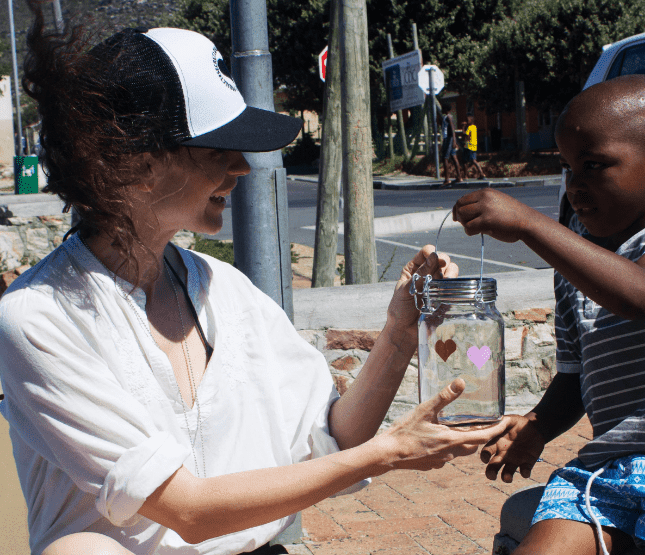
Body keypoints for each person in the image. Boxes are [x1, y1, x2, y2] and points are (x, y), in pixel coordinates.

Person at [0, 8, 511, 555]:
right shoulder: (40, 317)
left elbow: (334, 437)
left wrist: (398, 330)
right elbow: (187, 511)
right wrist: (391, 451)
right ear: (133, 162)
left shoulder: (225, 289)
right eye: (218, 149)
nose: (243, 166)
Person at [453, 74, 645, 555]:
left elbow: (641, 294)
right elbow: (575, 376)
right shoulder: (577, 263)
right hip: (608, 474)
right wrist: (536, 426)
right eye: (569, 168)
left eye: (594, 166)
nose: (575, 186)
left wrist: (530, 224)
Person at [438, 103, 464, 186]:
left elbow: (452, 129)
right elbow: (444, 127)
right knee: (454, 157)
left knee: (445, 158)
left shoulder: (449, 117)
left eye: (443, 108)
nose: (441, 110)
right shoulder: (446, 117)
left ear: (446, 109)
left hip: (449, 139)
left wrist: (453, 141)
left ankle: (447, 179)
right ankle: (459, 177)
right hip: (449, 139)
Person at [461, 114, 485, 179]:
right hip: (474, 145)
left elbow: (465, 135)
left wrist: (463, 127)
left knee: (466, 161)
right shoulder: (474, 127)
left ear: (471, 120)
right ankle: (481, 173)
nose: (466, 121)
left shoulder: (470, 127)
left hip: (468, 145)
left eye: (467, 120)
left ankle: (466, 176)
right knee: (473, 160)